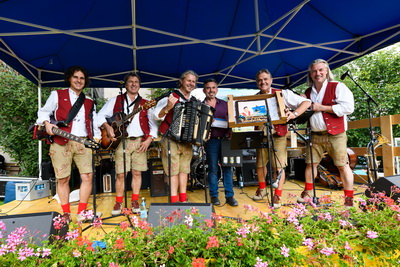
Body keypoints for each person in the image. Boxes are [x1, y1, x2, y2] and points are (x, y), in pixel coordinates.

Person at [36, 65, 101, 223]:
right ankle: (65, 213)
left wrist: (97, 138)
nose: (79, 81)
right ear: (69, 79)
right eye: (76, 77)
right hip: (61, 141)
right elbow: (43, 112)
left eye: (82, 78)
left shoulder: (90, 101)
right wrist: (47, 123)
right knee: (63, 179)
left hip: (83, 141)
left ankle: (82, 212)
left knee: (87, 176)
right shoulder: (57, 94)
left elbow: (94, 121)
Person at [97, 73, 158, 215]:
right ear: (125, 84)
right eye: (130, 81)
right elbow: (99, 116)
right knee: (121, 174)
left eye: (136, 82)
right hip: (121, 142)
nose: (133, 84)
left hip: (139, 141)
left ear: (139, 85)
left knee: (137, 173)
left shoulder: (145, 103)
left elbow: (153, 124)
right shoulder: (116, 100)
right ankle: (118, 202)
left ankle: (135, 200)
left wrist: (149, 140)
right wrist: (108, 127)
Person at [298, 59, 355, 207]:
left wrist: (322, 107)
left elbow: (348, 107)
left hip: (335, 134)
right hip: (315, 134)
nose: (318, 73)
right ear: (310, 74)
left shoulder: (337, 86)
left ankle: (348, 199)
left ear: (327, 71)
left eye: (321, 70)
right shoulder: (308, 92)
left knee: (342, 165)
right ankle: (308, 193)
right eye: (314, 71)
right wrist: (301, 102)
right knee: (310, 164)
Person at [253, 69, 311, 208]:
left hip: (278, 134)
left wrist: (294, 113)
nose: (263, 82)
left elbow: (307, 102)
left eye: (266, 79)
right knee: (260, 165)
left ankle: (277, 194)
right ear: (257, 83)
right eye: (260, 80)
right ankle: (262, 189)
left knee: (279, 166)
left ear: (271, 80)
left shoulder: (282, 93)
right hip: (261, 135)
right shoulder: (253, 98)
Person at [154, 70, 198, 203]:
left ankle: (183, 199)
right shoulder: (170, 96)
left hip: (187, 141)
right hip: (170, 138)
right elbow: (156, 116)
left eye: (193, 82)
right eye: (188, 80)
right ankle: (174, 199)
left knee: (184, 169)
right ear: (182, 81)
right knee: (173, 170)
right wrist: (168, 107)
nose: (191, 83)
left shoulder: (195, 101)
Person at [203, 78, 238, 207]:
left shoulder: (225, 104)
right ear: (204, 90)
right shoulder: (201, 106)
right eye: (208, 88)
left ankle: (230, 196)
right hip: (211, 142)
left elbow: (233, 121)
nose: (211, 90)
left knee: (228, 168)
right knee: (213, 169)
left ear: (216, 90)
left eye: (213, 87)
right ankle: (214, 196)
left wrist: (230, 128)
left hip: (226, 140)